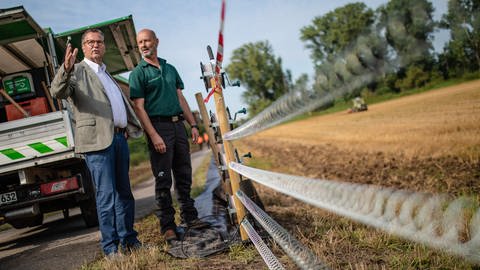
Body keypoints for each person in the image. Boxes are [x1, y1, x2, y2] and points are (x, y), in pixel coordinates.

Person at [50, 29, 143, 257]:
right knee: (106, 196)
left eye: (99, 42)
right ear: (83, 47)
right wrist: (67, 68)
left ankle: (128, 240)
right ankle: (111, 248)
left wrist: (125, 125)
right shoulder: (77, 71)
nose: (95, 46)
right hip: (97, 143)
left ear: (104, 46)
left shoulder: (105, 72)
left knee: (124, 194)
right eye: (90, 42)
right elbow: (57, 91)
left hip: (119, 138)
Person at [129, 29, 208, 242]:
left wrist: (192, 124)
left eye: (147, 41)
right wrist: (153, 135)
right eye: (140, 42)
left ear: (156, 41)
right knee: (163, 179)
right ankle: (168, 227)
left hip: (178, 126)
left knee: (184, 175)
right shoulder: (138, 73)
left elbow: (180, 98)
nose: (144, 45)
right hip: (158, 127)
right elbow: (139, 108)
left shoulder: (170, 68)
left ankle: (190, 218)